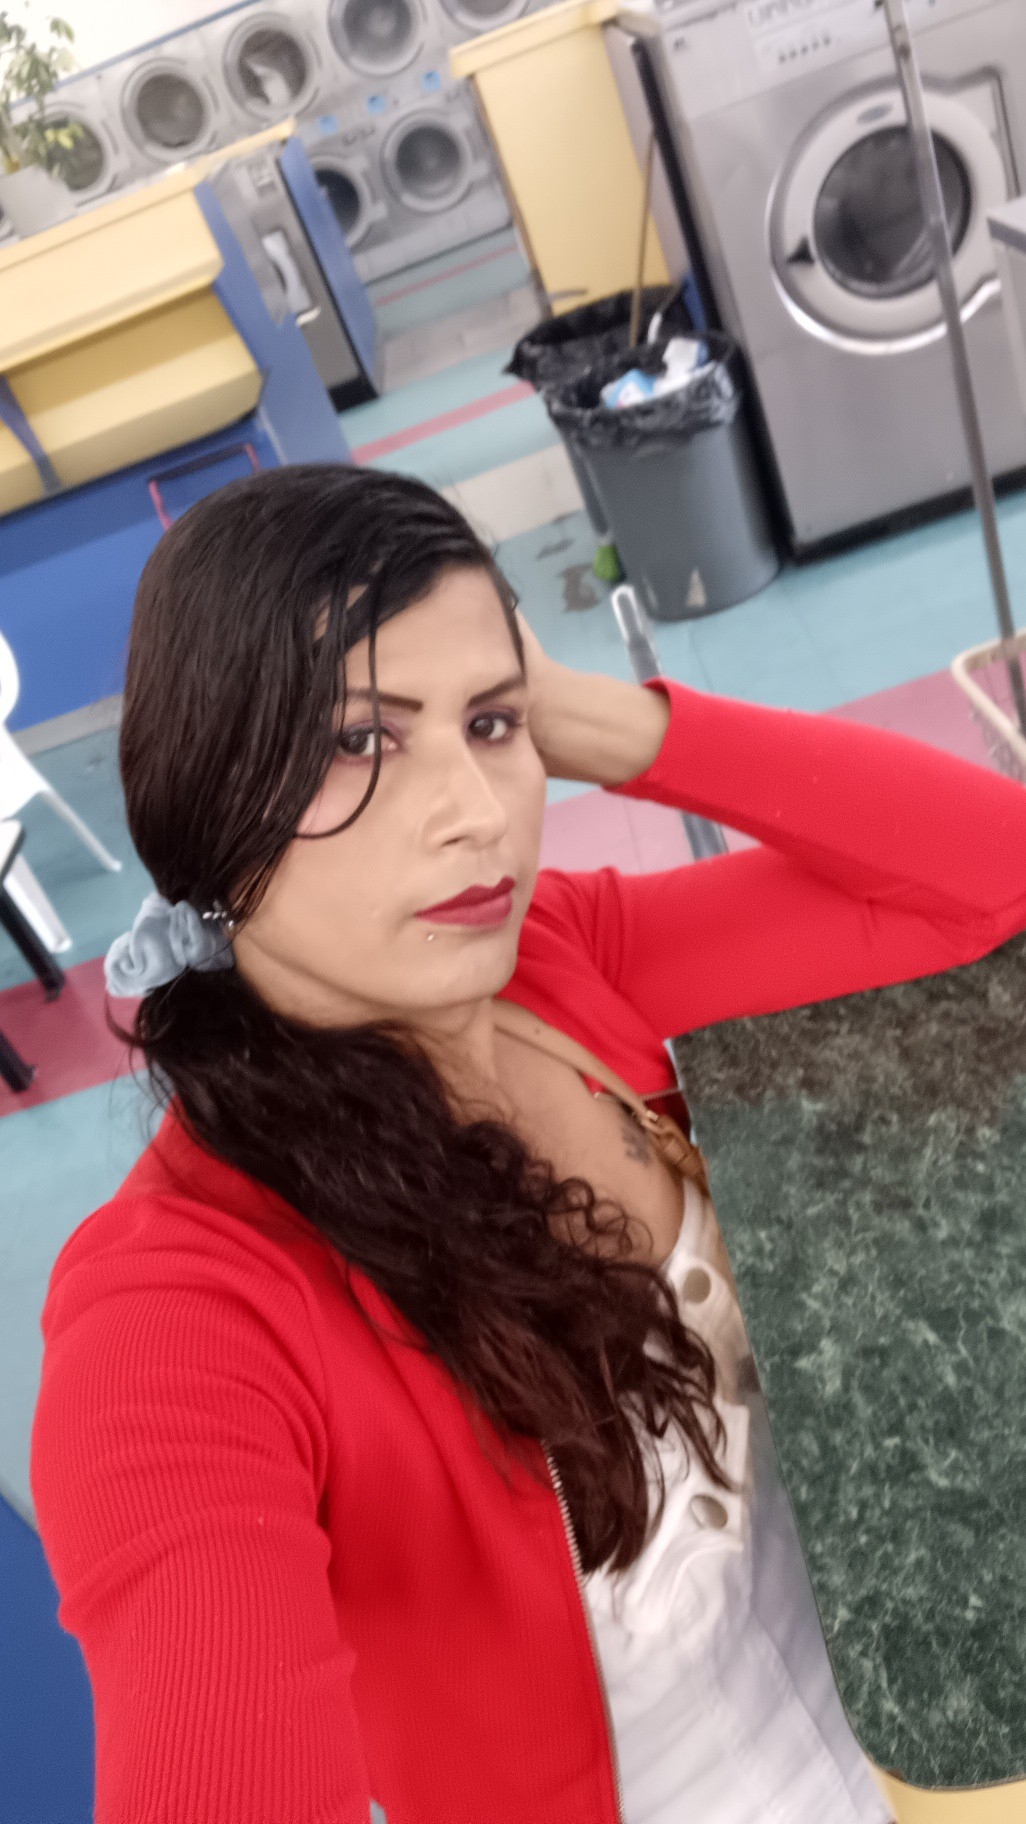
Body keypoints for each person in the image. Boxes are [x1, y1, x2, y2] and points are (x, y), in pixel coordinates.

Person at [29, 466, 1026, 1824]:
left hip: (916, 1736)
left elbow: (987, 874)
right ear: (207, 791)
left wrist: (596, 716)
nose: (477, 811)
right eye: (359, 741)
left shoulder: (555, 963)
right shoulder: (180, 1313)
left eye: (491, 726)